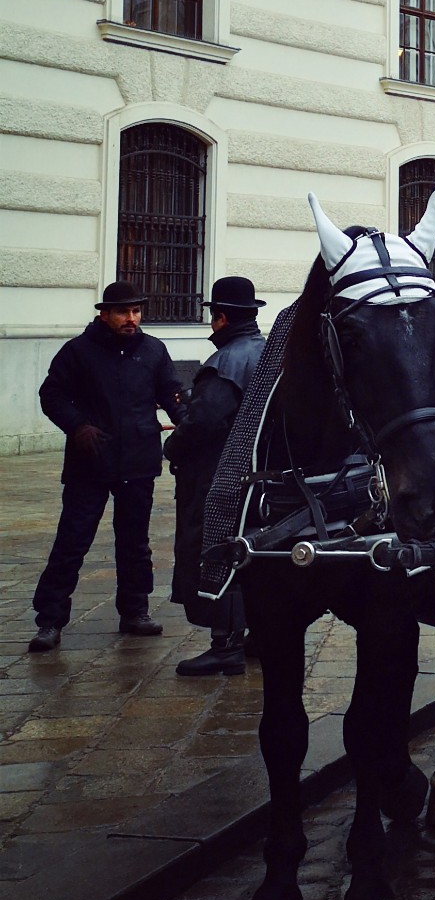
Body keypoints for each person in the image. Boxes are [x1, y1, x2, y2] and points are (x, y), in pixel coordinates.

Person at [31, 280, 183, 652]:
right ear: (105, 314)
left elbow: (172, 393)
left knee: (135, 543)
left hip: (139, 460)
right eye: (122, 312)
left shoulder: (153, 350)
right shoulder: (78, 352)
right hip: (91, 462)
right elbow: (51, 395)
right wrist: (77, 425)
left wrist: (189, 421)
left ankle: (135, 611)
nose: (131, 319)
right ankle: (50, 620)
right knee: (72, 541)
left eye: (135, 312)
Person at [165, 277, 266, 675]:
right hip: (258, 475)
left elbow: (203, 423)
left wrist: (171, 448)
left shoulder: (226, 363)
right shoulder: (268, 353)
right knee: (254, 556)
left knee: (219, 553)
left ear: (220, 318)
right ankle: (257, 634)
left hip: (219, 476)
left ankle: (224, 645)